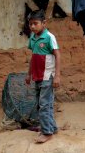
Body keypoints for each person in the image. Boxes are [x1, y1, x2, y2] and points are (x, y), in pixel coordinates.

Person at [25, 9, 61, 144]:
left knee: (44, 104)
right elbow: (33, 58)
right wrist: (29, 74)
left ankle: (47, 132)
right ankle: (52, 127)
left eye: (35, 23)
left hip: (47, 76)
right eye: (30, 24)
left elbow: (57, 55)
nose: (32, 26)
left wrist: (57, 76)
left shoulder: (49, 37)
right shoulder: (32, 38)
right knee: (44, 105)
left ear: (44, 23)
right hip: (37, 76)